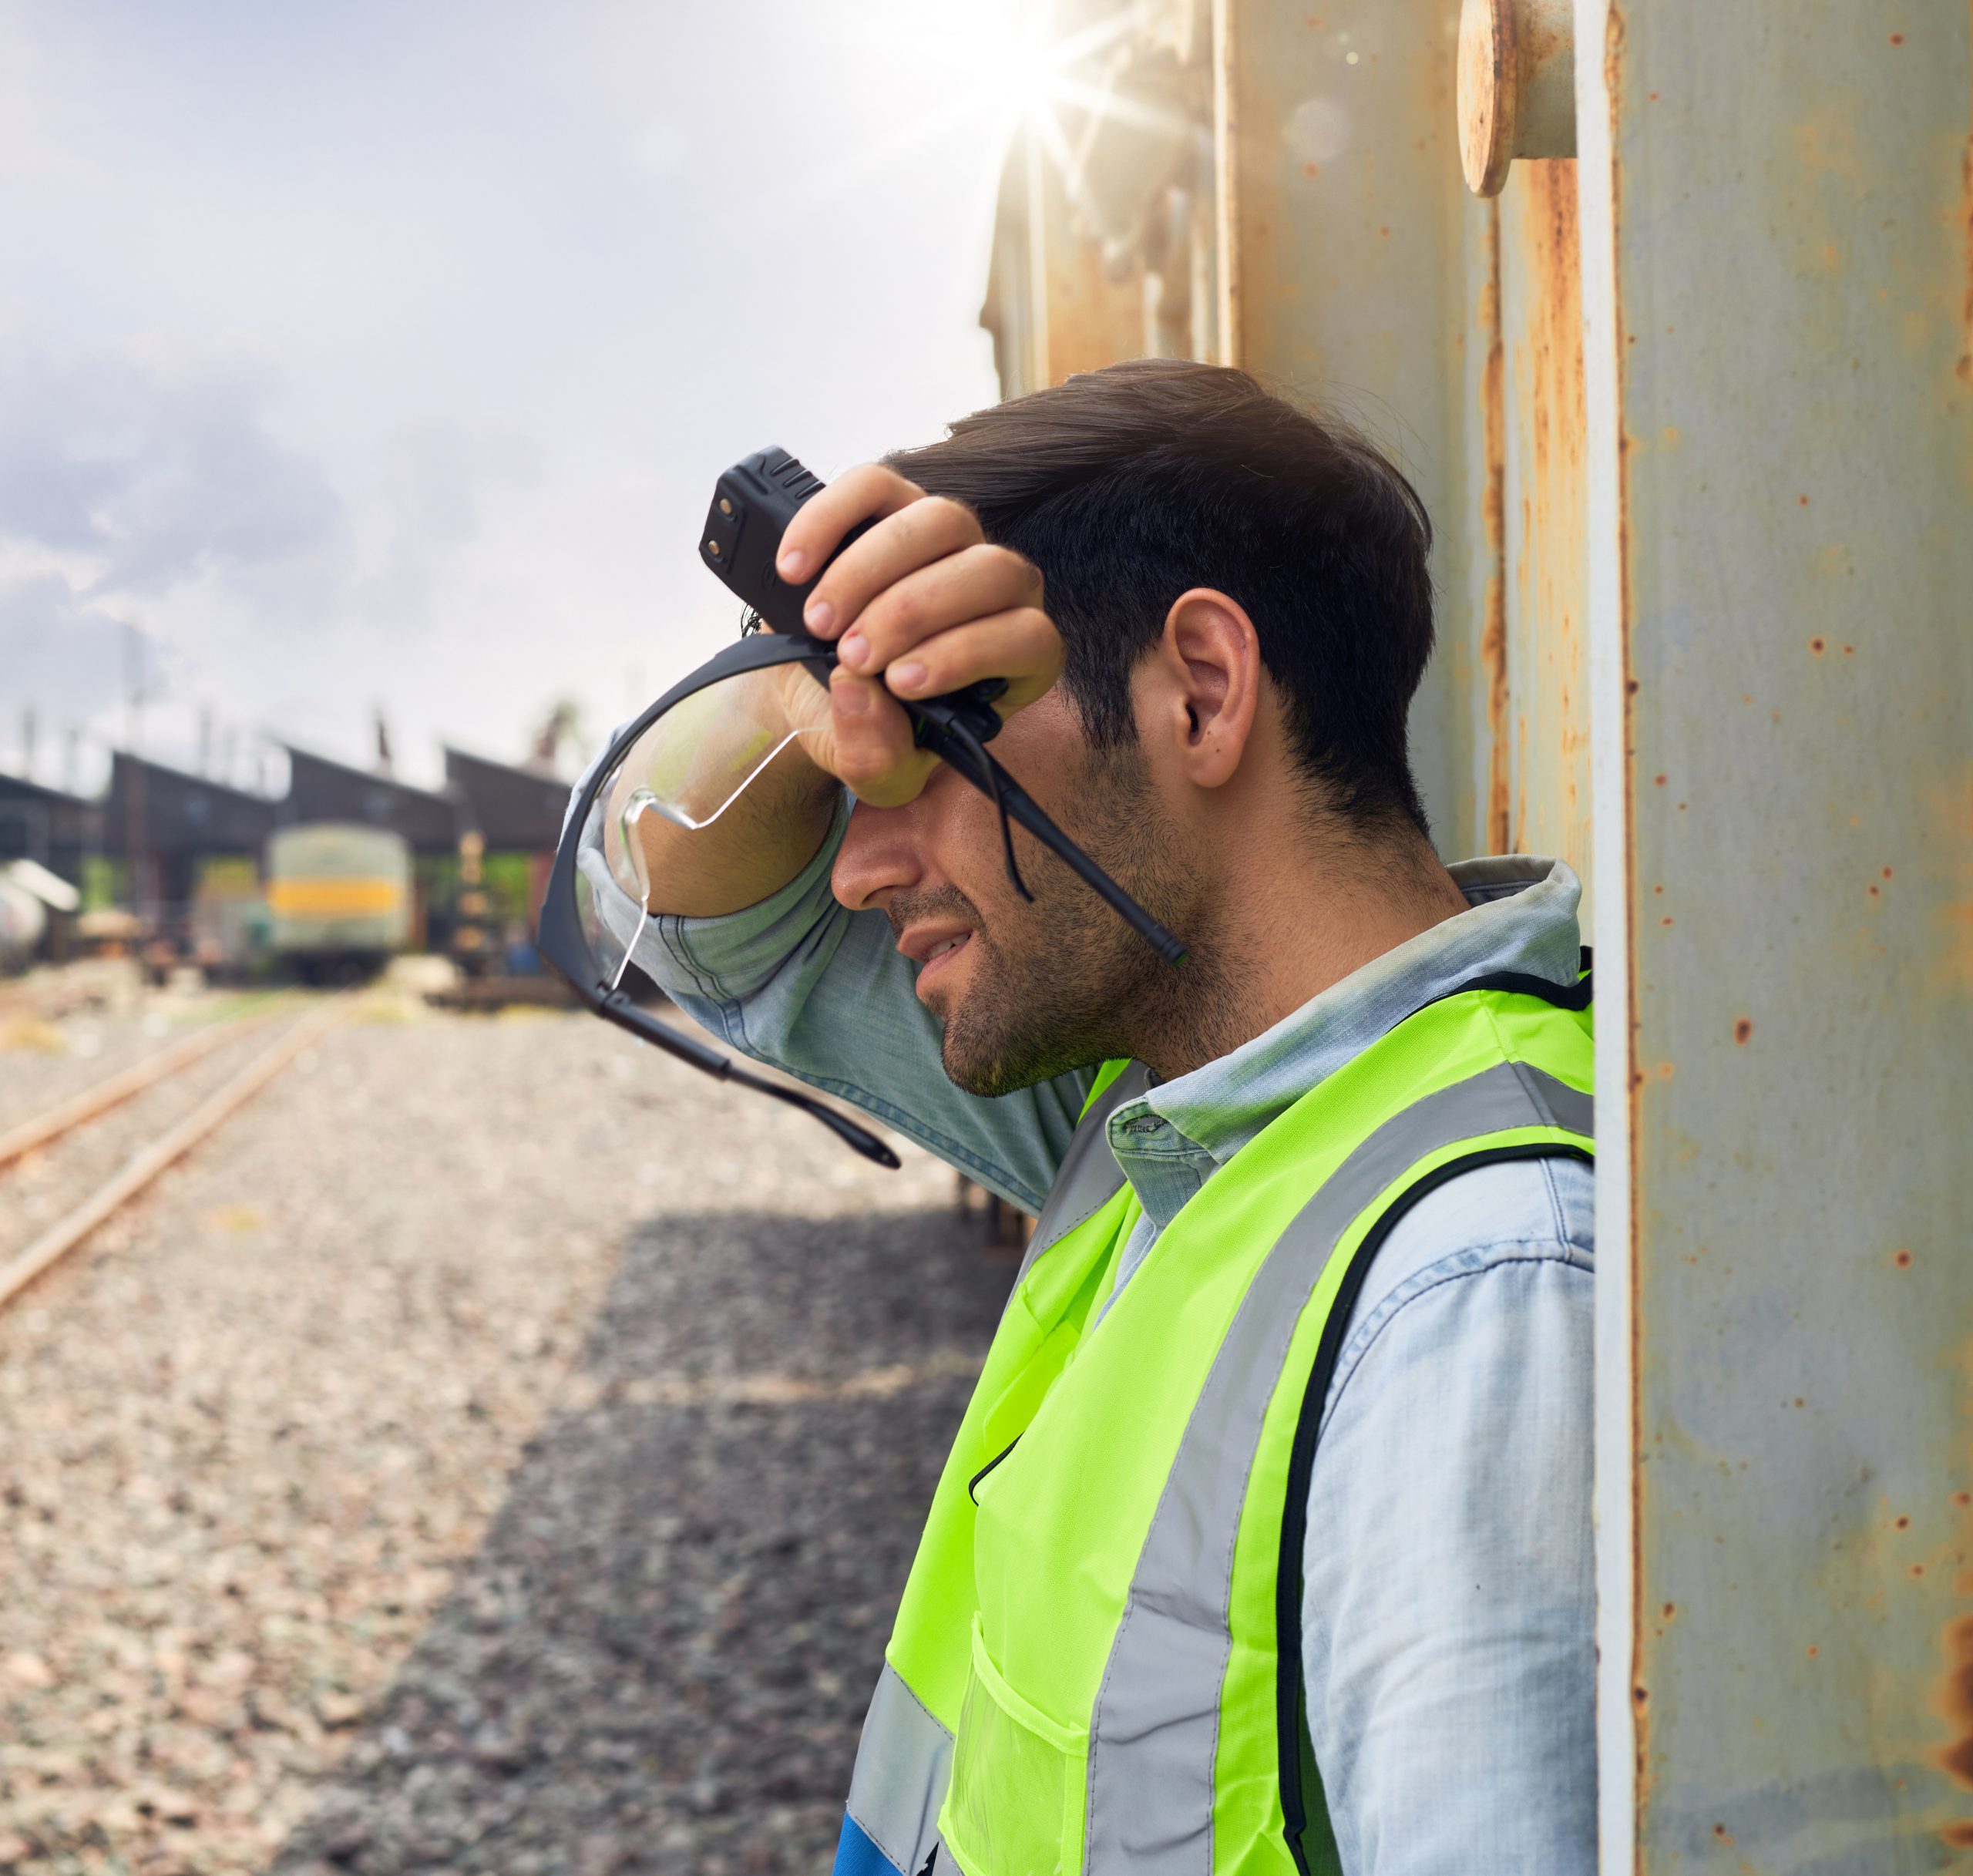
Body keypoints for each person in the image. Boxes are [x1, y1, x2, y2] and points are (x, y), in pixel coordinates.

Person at [579, 359, 1595, 1875]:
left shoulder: (1473, 1275)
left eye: (923, 752)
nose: (859, 863)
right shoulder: (1149, 1114)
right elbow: (688, 899)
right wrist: (820, 673)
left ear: (1196, 686)